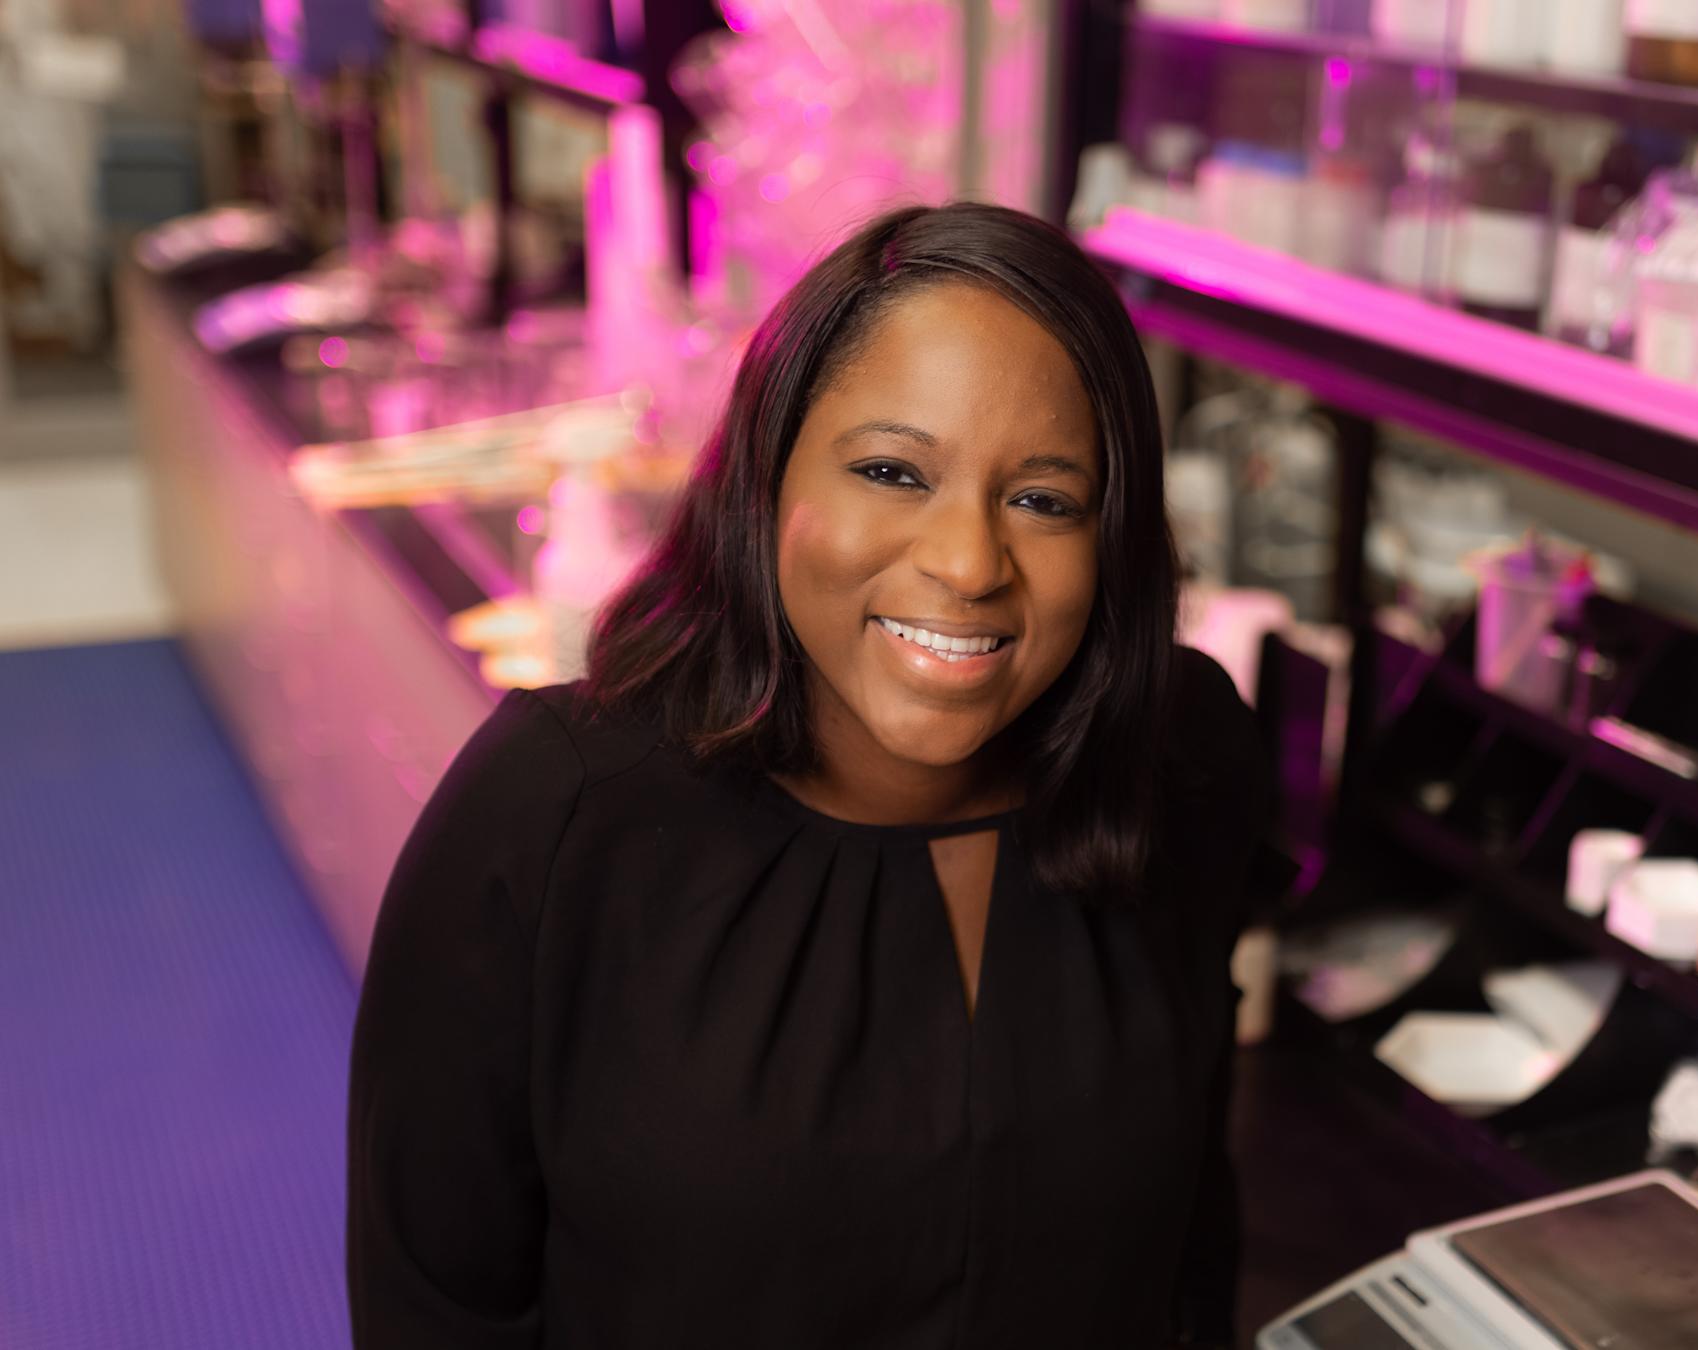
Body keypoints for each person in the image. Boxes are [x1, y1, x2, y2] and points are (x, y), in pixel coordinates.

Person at [347, 202, 1272, 1348]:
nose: (969, 563)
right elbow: (437, 1306)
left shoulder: (1179, 758)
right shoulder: (552, 813)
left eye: (1043, 499)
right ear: (769, 480)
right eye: (893, 471)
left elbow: (1186, 1240)